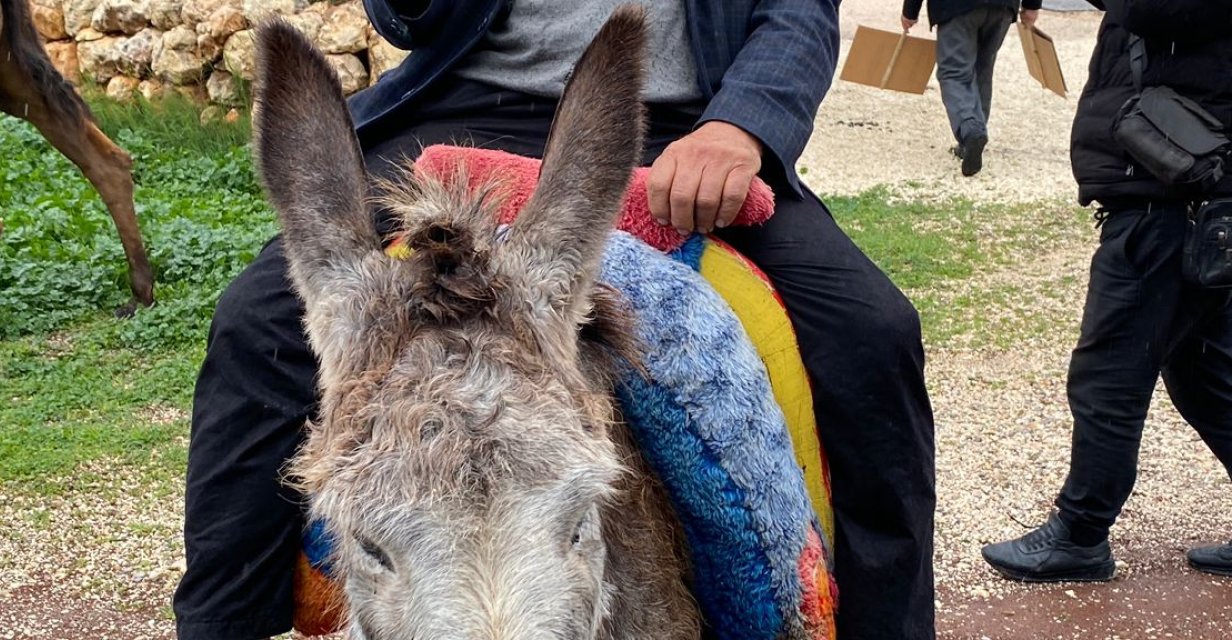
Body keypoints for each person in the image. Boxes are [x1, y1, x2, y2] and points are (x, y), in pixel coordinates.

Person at [172, 2, 938, 638]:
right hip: (464, 110)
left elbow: (794, 10)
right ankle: (220, 622)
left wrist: (743, 125)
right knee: (256, 321)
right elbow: (405, 17)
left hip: (688, 127)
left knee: (872, 331)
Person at [982, 0, 1232, 583]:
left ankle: (1080, 533)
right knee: (1204, 374)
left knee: (1110, 373)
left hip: (1171, 197)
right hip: (1182, 189)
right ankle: (1081, 529)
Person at [900, 0, 1041, 176]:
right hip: (1002, 7)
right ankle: (973, 137)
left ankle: (970, 128)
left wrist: (910, 11)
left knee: (953, 72)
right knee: (983, 68)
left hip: (956, 7)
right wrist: (1032, 5)